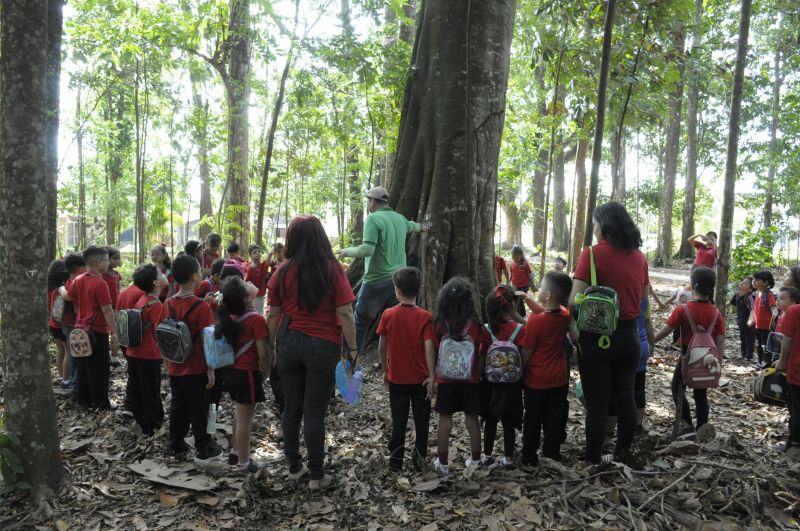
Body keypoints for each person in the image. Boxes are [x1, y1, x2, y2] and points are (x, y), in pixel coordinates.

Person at [267, 215, 357, 490]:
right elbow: (344, 312)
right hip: (323, 345)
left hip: (289, 343)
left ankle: (295, 467)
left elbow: (273, 314)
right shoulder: (333, 270)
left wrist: (270, 346)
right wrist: (352, 348)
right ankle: (317, 476)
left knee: (292, 407)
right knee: (315, 411)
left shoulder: (282, 271)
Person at [568, 202, 649, 465]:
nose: (593, 229)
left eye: (594, 224)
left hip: (596, 338)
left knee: (598, 399)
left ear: (603, 225)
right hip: (629, 336)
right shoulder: (639, 257)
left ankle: (593, 456)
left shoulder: (590, 255)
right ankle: (622, 451)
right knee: (625, 395)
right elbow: (643, 301)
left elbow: (572, 301)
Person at [339, 186, 425, 358]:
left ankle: (352, 362)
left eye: (368, 200)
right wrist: (423, 227)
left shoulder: (373, 219)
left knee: (361, 322)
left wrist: (346, 251)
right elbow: (412, 226)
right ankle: (395, 360)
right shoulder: (399, 219)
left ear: (372, 201)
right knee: (394, 322)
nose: (367, 204)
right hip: (397, 282)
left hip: (375, 282)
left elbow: (367, 250)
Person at [163, 254, 223, 464]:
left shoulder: (168, 303)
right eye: (199, 271)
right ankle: (204, 447)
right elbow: (208, 340)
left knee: (178, 406)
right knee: (199, 408)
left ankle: (176, 446)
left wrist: (167, 362)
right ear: (193, 277)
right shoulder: (201, 307)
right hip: (196, 367)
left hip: (175, 365)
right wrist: (211, 369)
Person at [430, 277, 490, 476]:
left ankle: (443, 464)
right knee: (471, 421)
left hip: (446, 381)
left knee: (444, 422)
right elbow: (482, 352)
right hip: (470, 380)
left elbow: (435, 349)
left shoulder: (439, 324)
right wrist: (478, 372)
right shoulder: (476, 326)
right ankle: (475, 460)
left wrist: (433, 375)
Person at [376, 267, 434, 473]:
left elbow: (381, 346)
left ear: (397, 290)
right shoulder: (426, 317)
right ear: (417, 290)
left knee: (398, 420)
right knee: (422, 421)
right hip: (420, 381)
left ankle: (396, 461)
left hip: (397, 380)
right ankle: (419, 458)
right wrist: (432, 376)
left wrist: (386, 370)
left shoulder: (388, 314)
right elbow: (429, 347)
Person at [654, 267, 724, 434]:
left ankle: (686, 424)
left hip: (687, 358)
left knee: (677, 388)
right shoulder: (716, 313)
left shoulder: (683, 309)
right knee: (701, 394)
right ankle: (702, 428)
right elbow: (720, 341)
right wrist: (719, 363)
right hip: (707, 360)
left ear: (693, 286)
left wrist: (649, 341)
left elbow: (666, 331)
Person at [215, 277, 271, 472]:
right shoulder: (256, 319)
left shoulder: (228, 316)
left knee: (239, 414)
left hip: (229, 371)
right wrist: (266, 370)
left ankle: (236, 452)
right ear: (247, 299)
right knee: (246, 419)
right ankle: (245, 463)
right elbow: (263, 352)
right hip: (246, 372)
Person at [519, 272, 572, 465]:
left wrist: (521, 371)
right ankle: (552, 452)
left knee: (532, 418)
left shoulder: (536, 321)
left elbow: (527, 351)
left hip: (537, 379)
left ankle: (529, 455)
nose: (538, 290)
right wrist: (528, 300)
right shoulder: (565, 314)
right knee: (554, 417)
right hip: (559, 377)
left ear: (548, 295)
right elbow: (545, 311)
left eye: (540, 288)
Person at [60, 246, 119, 411]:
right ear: (98, 262)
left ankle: (84, 401)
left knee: (83, 367)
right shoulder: (100, 283)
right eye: (107, 260)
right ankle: (100, 403)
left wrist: (60, 288)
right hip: (96, 331)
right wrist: (114, 333)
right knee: (99, 369)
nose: (108, 264)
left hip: (79, 330)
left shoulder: (78, 280)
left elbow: (69, 296)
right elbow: (107, 310)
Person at [480, 285, 526, 469]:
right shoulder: (520, 329)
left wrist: (480, 374)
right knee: (509, 421)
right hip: (513, 385)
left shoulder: (486, 330)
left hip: (490, 384)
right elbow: (523, 357)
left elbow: (483, 356)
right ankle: (507, 458)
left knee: (490, 420)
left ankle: (487, 456)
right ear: (512, 306)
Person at [126, 264, 166, 436]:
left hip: (134, 351)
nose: (164, 274)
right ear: (156, 282)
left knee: (138, 387)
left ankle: (143, 420)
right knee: (151, 389)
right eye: (160, 273)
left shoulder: (142, 300)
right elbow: (161, 333)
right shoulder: (155, 304)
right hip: (149, 353)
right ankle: (152, 424)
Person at [608, 298, 654, 438]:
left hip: (621, 345)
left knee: (614, 391)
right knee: (638, 388)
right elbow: (647, 323)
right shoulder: (644, 301)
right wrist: (651, 344)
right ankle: (637, 426)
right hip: (641, 345)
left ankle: (609, 431)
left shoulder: (615, 299)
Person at [774, 285, 800, 458]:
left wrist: (781, 363)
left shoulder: (794, 311)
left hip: (797, 370)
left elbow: (787, 340)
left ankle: (795, 444)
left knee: (796, 408)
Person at [61, 253, 86, 395]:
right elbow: (72, 301)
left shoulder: (69, 282)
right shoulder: (74, 282)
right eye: (85, 267)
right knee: (76, 354)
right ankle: (75, 386)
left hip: (69, 322)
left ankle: (74, 384)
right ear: (78, 268)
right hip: (72, 323)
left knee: (74, 353)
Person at [47, 259, 71, 387]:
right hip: (62, 323)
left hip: (53, 322)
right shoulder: (62, 288)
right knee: (67, 351)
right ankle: (67, 379)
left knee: (60, 350)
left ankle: (62, 376)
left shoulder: (47, 287)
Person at [749, 269, 778, 369]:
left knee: (765, 346)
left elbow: (774, 310)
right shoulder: (757, 294)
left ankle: (766, 364)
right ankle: (760, 362)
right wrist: (752, 320)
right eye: (755, 279)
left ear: (765, 282)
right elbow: (755, 310)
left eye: (757, 280)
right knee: (759, 345)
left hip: (767, 328)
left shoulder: (768, 295)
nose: (755, 281)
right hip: (758, 326)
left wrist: (774, 322)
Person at [104, 246, 123, 367]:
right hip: (105, 307)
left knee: (116, 331)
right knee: (106, 331)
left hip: (116, 307)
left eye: (119, 258)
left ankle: (114, 356)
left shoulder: (117, 274)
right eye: (115, 258)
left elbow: (119, 290)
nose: (118, 261)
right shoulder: (102, 275)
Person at [730, 277, 756, 361]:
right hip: (741, 321)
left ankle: (748, 356)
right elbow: (730, 303)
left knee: (749, 339)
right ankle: (743, 354)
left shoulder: (749, 297)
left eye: (745, 283)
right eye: (742, 282)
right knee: (742, 338)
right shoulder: (737, 295)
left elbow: (752, 309)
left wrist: (750, 320)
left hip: (749, 322)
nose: (742, 283)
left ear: (750, 289)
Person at [510, 245, 535, 317]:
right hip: (515, 285)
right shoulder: (512, 264)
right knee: (515, 299)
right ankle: (519, 314)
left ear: (521, 255)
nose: (515, 259)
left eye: (517, 257)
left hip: (524, 285)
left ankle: (523, 315)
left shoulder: (525, 263)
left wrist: (532, 284)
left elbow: (529, 274)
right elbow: (512, 273)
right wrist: (510, 282)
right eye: (513, 257)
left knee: (520, 300)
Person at [246, 244, 268, 315]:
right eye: (254, 252)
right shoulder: (249, 268)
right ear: (250, 256)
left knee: (258, 313)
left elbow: (269, 257)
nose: (258, 253)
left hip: (260, 295)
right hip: (250, 296)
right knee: (251, 313)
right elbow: (246, 282)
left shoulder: (263, 265)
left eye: (259, 251)